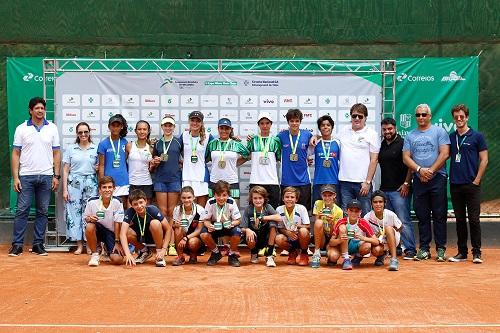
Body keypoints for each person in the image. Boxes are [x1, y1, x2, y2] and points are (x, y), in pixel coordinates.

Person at [9, 97, 61, 257]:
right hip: (26, 176)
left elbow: (56, 153)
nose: (40, 110)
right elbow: (16, 153)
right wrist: (16, 177)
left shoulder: (52, 128)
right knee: (22, 210)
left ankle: (38, 244)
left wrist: (56, 176)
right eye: (37, 108)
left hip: (46, 176)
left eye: (42, 108)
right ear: (30, 110)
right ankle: (17, 245)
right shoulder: (21, 128)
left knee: (43, 211)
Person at [403, 103, 450, 262]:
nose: (421, 117)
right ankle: (424, 249)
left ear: (430, 116)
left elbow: (445, 154)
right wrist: (419, 170)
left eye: (424, 114)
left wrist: (430, 171)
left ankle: (441, 249)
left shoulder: (439, 132)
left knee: (439, 214)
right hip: (419, 179)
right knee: (422, 215)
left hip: (437, 178)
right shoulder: (410, 135)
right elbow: (406, 157)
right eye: (418, 115)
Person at [448, 104, 488, 264]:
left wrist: (477, 180)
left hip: (472, 185)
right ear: (453, 118)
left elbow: (484, 159)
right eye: (456, 117)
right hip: (455, 184)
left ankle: (477, 253)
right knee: (459, 220)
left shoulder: (477, 136)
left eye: (462, 116)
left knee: (474, 219)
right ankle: (462, 252)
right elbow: (444, 155)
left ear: (467, 117)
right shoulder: (451, 137)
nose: (459, 119)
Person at [379, 117, 416, 259]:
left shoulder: (403, 143)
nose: (387, 132)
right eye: (384, 129)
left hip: (400, 190)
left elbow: (410, 165)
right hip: (385, 189)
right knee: (389, 222)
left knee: (403, 219)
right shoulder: (382, 145)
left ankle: (410, 249)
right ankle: (397, 247)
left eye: (390, 129)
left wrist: (406, 183)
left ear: (395, 128)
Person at [62, 122, 98, 255]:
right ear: (77, 134)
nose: (83, 135)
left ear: (89, 133)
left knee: (89, 213)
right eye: (80, 132)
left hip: (91, 182)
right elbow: (65, 170)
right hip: (74, 183)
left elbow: (100, 167)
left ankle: (89, 244)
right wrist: (65, 189)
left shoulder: (95, 148)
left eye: (85, 132)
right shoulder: (71, 149)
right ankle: (79, 245)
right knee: (74, 213)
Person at [337, 103, 380, 215]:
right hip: (345, 181)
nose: (357, 118)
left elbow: (374, 160)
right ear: (350, 117)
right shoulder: (343, 131)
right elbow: (328, 139)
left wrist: (368, 182)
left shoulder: (372, 134)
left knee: (365, 215)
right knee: (346, 215)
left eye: (360, 116)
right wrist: (315, 136)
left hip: (362, 183)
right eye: (354, 116)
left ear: (365, 118)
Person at [151, 116, 182, 256]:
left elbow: (184, 159)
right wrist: (155, 161)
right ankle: (164, 242)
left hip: (175, 180)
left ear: (173, 127)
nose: (168, 128)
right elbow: (152, 163)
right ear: (162, 127)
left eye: (170, 126)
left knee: (172, 212)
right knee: (163, 213)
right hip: (160, 180)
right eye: (165, 126)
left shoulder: (178, 142)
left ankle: (171, 245)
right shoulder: (157, 143)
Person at [120, 189, 173, 267]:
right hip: (141, 237)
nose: (139, 206)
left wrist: (163, 249)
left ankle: (159, 255)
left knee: (155, 223)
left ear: (146, 201)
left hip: (155, 236)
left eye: (141, 202)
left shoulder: (153, 210)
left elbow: (168, 229)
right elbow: (122, 234)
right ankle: (144, 251)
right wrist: (128, 254)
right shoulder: (130, 212)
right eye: (135, 204)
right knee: (126, 231)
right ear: (131, 205)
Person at [206, 118, 250, 203]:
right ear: (218, 129)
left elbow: (247, 155)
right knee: (213, 213)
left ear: (230, 129)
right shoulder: (212, 143)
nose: (224, 131)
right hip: (214, 181)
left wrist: (234, 163)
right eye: (221, 128)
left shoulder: (236, 144)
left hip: (231, 182)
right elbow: (207, 159)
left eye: (227, 128)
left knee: (233, 213)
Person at [83, 176, 124, 267]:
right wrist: (90, 218)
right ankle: (95, 254)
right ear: (99, 190)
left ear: (114, 189)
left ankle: (106, 248)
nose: (107, 190)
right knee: (89, 226)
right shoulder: (91, 201)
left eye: (110, 187)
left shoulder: (118, 202)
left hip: (111, 233)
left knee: (118, 260)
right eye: (104, 187)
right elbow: (86, 218)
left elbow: (118, 222)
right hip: (98, 230)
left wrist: (117, 242)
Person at [277, 109, 313, 210]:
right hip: (286, 181)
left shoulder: (307, 135)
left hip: (303, 181)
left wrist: (315, 136)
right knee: (286, 212)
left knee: (304, 212)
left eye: (297, 121)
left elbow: (316, 145)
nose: (294, 123)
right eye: (291, 121)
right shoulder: (281, 136)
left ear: (300, 121)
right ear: (288, 122)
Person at [200, 180, 242, 267]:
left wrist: (232, 224)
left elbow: (238, 220)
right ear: (214, 195)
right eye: (218, 195)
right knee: (203, 234)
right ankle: (216, 253)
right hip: (215, 226)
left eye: (224, 195)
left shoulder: (231, 202)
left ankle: (232, 254)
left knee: (237, 231)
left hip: (228, 226)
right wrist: (209, 226)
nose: (221, 198)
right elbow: (205, 220)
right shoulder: (210, 202)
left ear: (228, 195)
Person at [245, 112, 282, 208]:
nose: (265, 126)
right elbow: (246, 155)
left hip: (272, 182)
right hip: (256, 181)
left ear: (271, 124)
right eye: (262, 123)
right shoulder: (252, 140)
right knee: (254, 212)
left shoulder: (276, 141)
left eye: (267, 123)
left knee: (273, 211)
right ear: (258, 125)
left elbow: (279, 158)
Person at [330, 199, 380, 270]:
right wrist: (339, 240)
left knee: (367, 246)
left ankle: (358, 257)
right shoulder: (341, 222)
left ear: (360, 212)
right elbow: (331, 242)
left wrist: (363, 238)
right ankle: (346, 259)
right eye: (351, 210)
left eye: (356, 211)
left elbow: (376, 241)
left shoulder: (363, 222)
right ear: (347, 211)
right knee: (333, 256)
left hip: (357, 246)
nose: (353, 213)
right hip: (342, 246)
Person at [240, 186, 282, 267]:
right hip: (254, 236)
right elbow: (242, 227)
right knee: (248, 232)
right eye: (255, 198)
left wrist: (264, 218)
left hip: (266, 237)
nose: (258, 200)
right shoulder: (248, 209)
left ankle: (269, 255)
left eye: (260, 198)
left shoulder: (268, 207)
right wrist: (247, 230)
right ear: (251, 199)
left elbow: (279, 218)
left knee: (273, 223)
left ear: (264, 198)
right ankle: (254, 253)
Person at [180, 111, 214, 208]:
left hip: (201, 176)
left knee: (201, 210)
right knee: (188, 208)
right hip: (187, 176)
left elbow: (219, 147)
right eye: (192, 120)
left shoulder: (208, 136)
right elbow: (175, 150)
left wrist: (233, 138)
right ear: (189, 121)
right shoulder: (184, 135)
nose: (195, 123)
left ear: (202, 123)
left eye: (198, 121)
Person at [364, 190, 402, 271]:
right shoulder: (367, 217)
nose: (378, 204)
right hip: (378, 241)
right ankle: (381, 255)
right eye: (375, 202)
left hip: (392, 239)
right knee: (376, 250)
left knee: (388, 228)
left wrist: (389, 232)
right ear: (371, 203)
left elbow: (401, 226)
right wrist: (375, 236)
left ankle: (394, 259)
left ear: (385, 203)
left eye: (380, 202)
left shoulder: (390, 214)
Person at [98, 114, 129, 207]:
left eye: (118, 126)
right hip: (108, 182)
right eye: (113, 126)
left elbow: (126, 159)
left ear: (121, 127)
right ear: (109, 126)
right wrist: (101, 183)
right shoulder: (103, 144)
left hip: (123, 181)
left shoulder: (125, 142)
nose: (115, 128)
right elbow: (101, 165)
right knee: (109, 208)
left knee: (122, 209)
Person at [275, 186, 311, 266]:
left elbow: (308, 226)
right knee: (278, 239)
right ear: (283, 199)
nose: (289, 199)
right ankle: (292, 252)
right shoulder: (279, 209)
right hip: (288, 237)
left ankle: (304, 253)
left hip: (301, 236)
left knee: (303, 231)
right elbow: (280, 228)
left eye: (292, 197)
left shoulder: (301, 208)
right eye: (287, 197)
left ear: (296, 199)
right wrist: (287, 232)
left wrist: (299, 227)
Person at [310, 184, 343, 268]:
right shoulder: (318, 203)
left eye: (330, 195)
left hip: (331, 238)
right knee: (318, 222)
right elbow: (316, 224)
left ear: (334, 195)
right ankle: (317, 253)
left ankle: (330, 256)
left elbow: (334, 233)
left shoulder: (339, 211)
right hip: (320, 237)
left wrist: (331, 222)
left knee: (333, 256)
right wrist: (319, 216)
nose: (327, 198)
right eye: (325, 195)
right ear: (321, 196)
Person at [171, 186, 206, 265]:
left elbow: (199, 230)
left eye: (189, 197)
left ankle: (193, 255)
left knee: (192, 242)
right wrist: (176, 225)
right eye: (184, 198)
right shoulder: (177, 209)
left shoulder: (200, 210)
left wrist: (186, 238)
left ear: (194, 197)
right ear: (180, 198)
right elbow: (173, 227)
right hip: (182, 237)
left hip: (195, 239)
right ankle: (180, 256)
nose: (186, 200)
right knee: (178, 229)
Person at [312, 116, 341, 204]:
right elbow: (305, 155)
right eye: (323, 125)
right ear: (319, 128)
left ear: (332, 127)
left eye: (328, 125)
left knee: (334, 211)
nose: (325, 127)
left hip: (333, 181)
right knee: (318, 211)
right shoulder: (315, 142)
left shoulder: (338, 143)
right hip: (318, 181)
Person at [126, 120, 153, 203]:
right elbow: (123, 164)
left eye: (144, 129)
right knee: (131, 212)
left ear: (148, 131)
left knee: (145, 213)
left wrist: (153, 166)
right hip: (132, 183)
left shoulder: (151, 148)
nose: (142, 132)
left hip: (146, 183)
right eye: (139, 129)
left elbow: (152, 169)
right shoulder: (129, 145)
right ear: (135, 131)